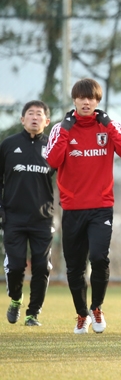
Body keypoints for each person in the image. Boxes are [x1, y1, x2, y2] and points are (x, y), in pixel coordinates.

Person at [45, 79, 121, 334]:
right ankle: (81, 313)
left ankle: (96, 308)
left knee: (98, 258)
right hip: (72, 209)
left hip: (101, 207)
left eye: (91, 98)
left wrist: (110, 127)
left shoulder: (108, 126)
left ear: (97, 101)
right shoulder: (61, 129)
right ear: (74, 100)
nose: (86, 102)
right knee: (74, 266)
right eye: (81, 98)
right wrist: (64, 130)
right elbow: (51, 161)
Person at [1, 101, 55, 326]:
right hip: (13, 218)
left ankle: (33, 313)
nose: (34, 117)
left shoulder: (53, 147)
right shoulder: (8, 145)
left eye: (39, 114)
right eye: (30, 114)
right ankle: (15, 299)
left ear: (47, 121)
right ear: (22, 119)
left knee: (42, 267)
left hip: (42, 219)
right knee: (15, 266)